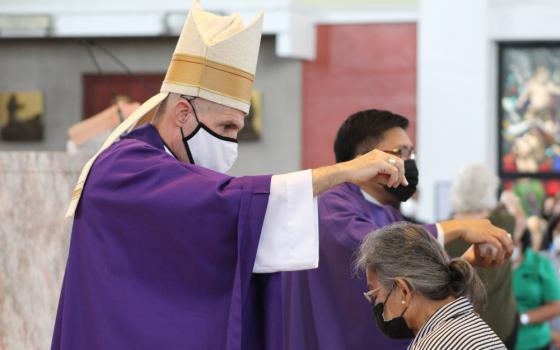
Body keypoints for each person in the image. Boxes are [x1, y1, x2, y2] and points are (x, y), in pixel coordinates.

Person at [50, 3, 414, 350]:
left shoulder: (158, 164)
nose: (231, 145)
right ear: (181, 113)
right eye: (226, 126)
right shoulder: (126, 168)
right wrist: (346, 171)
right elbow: (231, 202)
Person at [282, 109, 512, 350]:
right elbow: (379, 249)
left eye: (411, 153)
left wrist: (466, 261)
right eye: (401, 152)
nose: (409, 162)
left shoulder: (387, 212)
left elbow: (417, 279)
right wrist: (461, 226)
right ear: (365, 158)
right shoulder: (332, 205)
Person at [356, 222, 505, 350]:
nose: (376, 306)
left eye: (375, 295)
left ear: (403, 291)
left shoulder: (433, 344)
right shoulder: (471, 328)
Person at [445, 164, 518, 348]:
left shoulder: (446, 232)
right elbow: (520, 217)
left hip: (460, 331)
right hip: (502, 324)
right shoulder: (503, 222)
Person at [512, 228, 560, 350]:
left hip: (534, 341)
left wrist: (522, 319)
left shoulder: (540, 263)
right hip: (496, 340)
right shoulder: (491, 264)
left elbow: (555, 305)